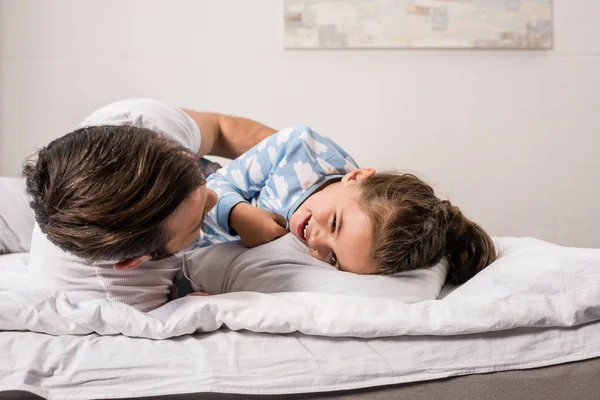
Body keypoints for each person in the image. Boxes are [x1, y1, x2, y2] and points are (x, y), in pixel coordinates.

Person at [22, 99, 276, 311]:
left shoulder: (140, 122)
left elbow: (220, 129)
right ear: (133, 262)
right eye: (196, 222)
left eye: (196, 174)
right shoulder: (116, 303)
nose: (215, 198)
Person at [199, 125, 497, 284]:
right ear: (356, 177)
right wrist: (238, 215)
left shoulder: (332, 253)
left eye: (332, 258)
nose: (316, 243)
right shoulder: (298, 150)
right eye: (334, 224)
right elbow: (211, 188)